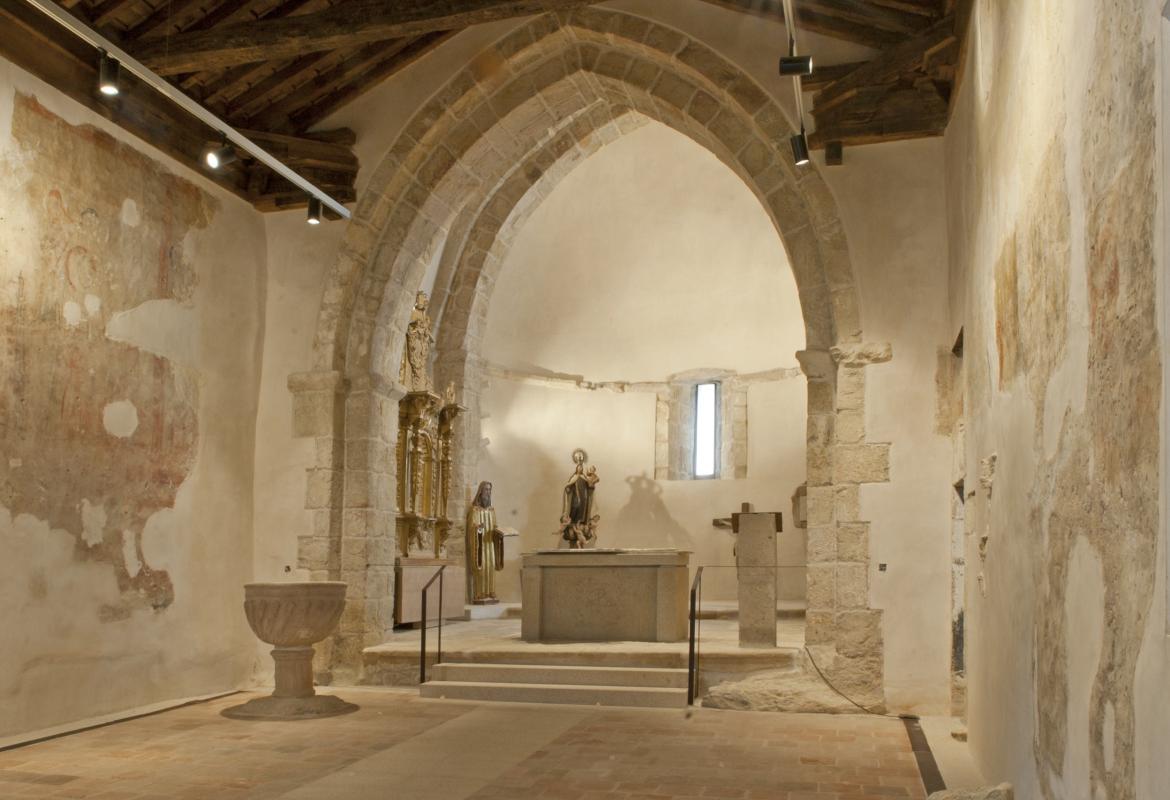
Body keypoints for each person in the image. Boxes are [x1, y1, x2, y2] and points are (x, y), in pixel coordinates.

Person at [465, 481, 506, 603]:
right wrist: (478, 528)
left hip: (490, 544)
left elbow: (494, 526)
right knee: (481, 567)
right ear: (480, 491)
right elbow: (472, 527)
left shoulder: (491, 510)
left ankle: (490, 592)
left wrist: (499, 533)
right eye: (486, 490)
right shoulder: (475, 510)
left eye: (489, 490)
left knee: (491, 566)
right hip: (480, 544)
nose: (488, 492)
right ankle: (480, 593)